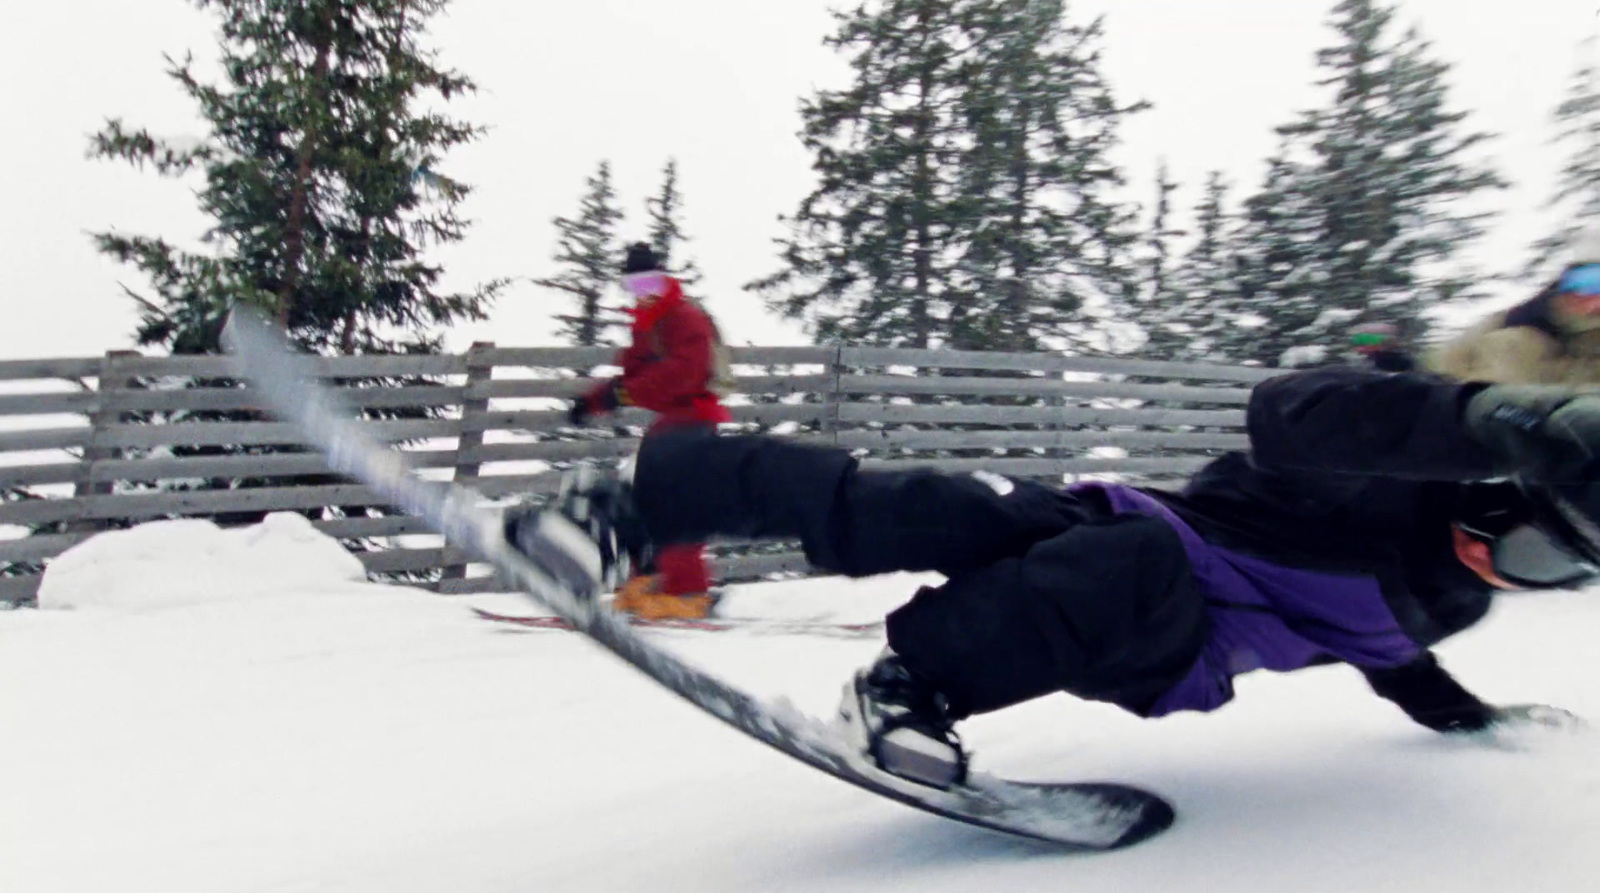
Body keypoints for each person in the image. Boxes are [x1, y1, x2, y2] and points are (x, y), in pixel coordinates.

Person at [509, 365, 1594, 790]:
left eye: (1540, 567)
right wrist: (1472, 416)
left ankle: (909, 687)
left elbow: (1399, 669)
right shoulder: (1394, 461)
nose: (1494, 561)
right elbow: (1282, 413)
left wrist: (1478, 722)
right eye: (1511, 528)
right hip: (1129, 519)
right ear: (1494, 475)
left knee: (1123, 568)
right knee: (942, 503)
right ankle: (632, 508)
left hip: (1178, 634)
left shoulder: (1452, 596)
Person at [561, 242, 732, 620]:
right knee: (642, 502)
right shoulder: (648, 323)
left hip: (695, 421)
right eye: (634, 286)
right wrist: (592, 402)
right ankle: (650, 578)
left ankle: (689, 591)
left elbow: (684, 373)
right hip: (670, 424)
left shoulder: (684, 317)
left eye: (649, 281)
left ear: (663, 278)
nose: (644, 292)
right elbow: (633, 378)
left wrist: (628, 392)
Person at [1429, 231, 1600, 385]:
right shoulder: (1519, 328)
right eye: (1586, 280)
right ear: (1564, 282)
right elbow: (1444, 360)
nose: (1593, 298)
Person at [1348, 321, 1416, 372]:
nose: (1360, 346)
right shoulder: (1364, 362)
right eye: (1358, 341)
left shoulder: (1399, 362)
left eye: (1365, 340)